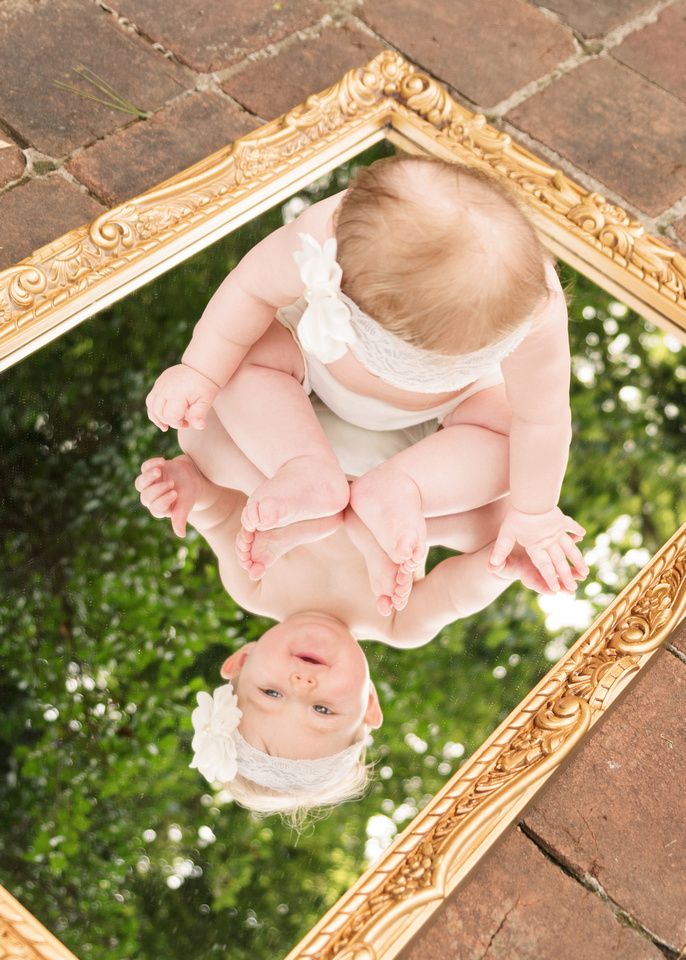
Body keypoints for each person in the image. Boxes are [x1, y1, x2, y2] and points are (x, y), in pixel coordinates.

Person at [145, 152, 587, 609]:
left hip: (451, 404)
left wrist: (535, 511)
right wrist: (199, 369)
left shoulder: (534, 304)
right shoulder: (325, 237)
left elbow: (544, 417)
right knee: (238, 362)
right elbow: (249, 290)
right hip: (313, 357)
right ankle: (304, 466)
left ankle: (402, 486)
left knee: (514, 439)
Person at [134, 409, 578, 821]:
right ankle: (359, 510)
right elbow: (454, 594)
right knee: (493, 523)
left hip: (297, 437)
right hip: (417, 465)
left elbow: (222, 512)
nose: (301, 685)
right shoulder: (396, 623)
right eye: (323, 709)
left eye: (270, 694)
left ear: (241, 662)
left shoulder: (254, 588)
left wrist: (191, 490)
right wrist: (502, 568)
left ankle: (327, 499)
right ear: (368, 705)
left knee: (201, 437)